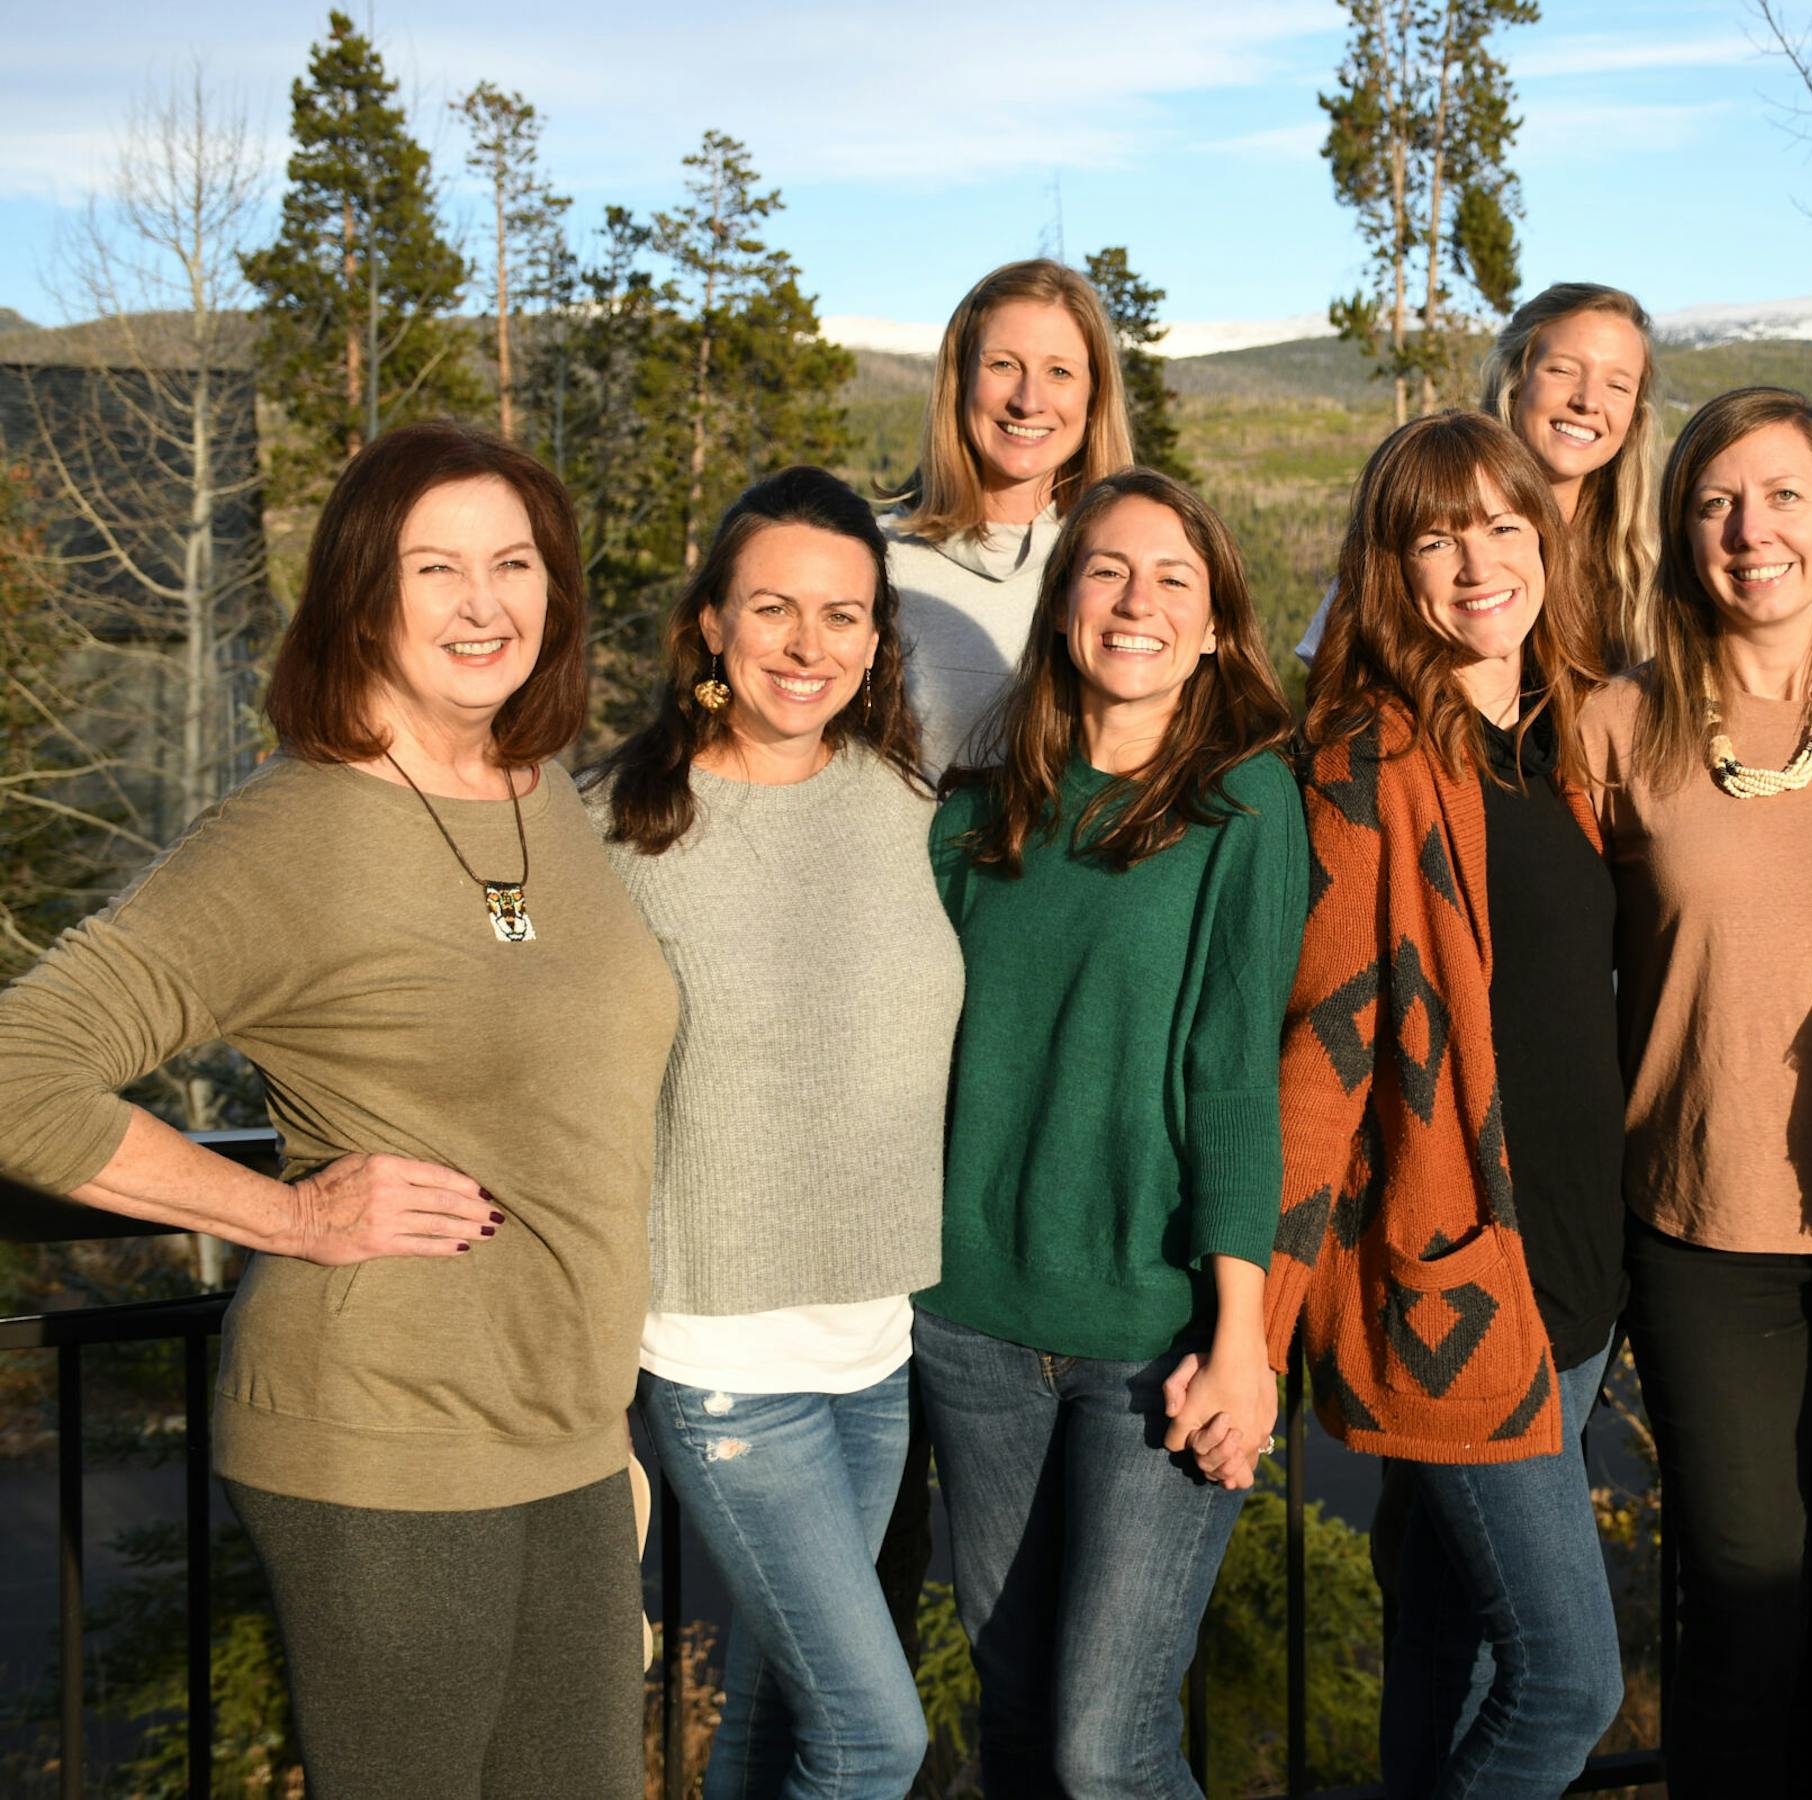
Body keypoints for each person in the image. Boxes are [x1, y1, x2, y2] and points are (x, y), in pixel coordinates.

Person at [0, 422, 678, 1795]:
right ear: (361, 596)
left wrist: (603, 1421)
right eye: (437, 569)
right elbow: (21, 1067)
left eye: (515, 563)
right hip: (386, 1441)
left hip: (569, 1438)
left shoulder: (547, 797)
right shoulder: (295, 831)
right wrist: (285, 1213)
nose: (485, 605)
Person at [912, 467, 1304, 1799]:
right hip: (969, 1328)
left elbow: (1236, 1079)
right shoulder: (975, 813)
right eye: (1107, 571)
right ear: (1063, 603)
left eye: (1173, 580)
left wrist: (1243, 1342)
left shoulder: (1244, 808)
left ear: (1214, 627)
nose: (1136, 603)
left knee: (1107, 1749)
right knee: (1018, 1730)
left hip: (1155, 1339)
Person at [1266, 411, 1626, 1796]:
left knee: (1456, 1646)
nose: (1477, 562)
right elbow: (1324, 1055)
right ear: (1388, 569)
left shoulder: (1563, 740)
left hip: (1579, 1273)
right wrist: (1263, 1321)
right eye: (1435, 535)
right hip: (1457, 1283)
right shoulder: (1367, 764)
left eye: (1502, 525)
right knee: (1568, 1684)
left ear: (1545, 539)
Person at [586, 466, 959, 1797]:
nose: (809, 646)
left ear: (877, 638)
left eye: (844, 616)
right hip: (720, 1353)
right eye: (775, 610)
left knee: (772, 1711)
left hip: (877, 1350)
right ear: (711, 625)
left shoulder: (910, 810)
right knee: (875, 1737)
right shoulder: (613, 829)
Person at [1578, 386, 1812, 1797]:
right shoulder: (1620, 726)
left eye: (1785, 494)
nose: (1750, 528)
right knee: (1740, 1586)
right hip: (1701, 1225)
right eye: (1716, 501)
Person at [1299, 282, 1662, 666]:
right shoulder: (1424, 513)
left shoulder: (1641, 572)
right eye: (1562, 370)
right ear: (1514, 382)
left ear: (1635, 417)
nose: (1588, 401)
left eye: (1618, 385)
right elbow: (1330, 682)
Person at [888, 258, 1134, 773]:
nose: (1028, 401)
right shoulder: (872, 562)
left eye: (1060, 372)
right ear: (959, 380)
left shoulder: (1137, 577)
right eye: (1003, 365)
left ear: (1095, 398)